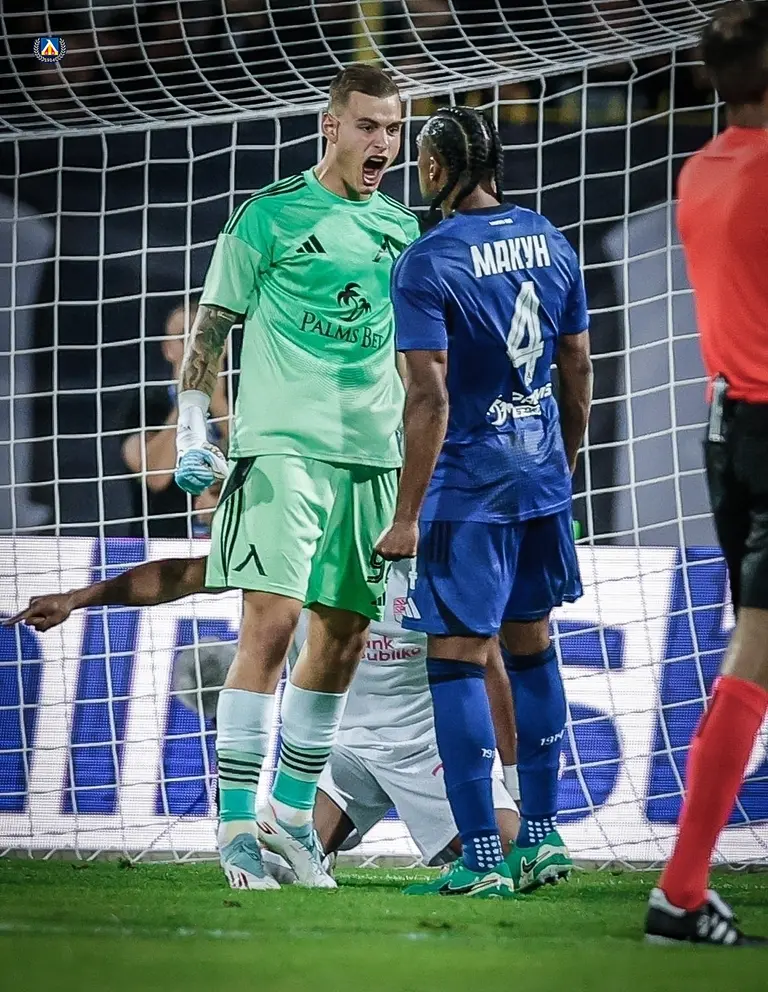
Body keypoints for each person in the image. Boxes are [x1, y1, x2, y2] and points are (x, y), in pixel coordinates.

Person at [171, 64, 420, 890]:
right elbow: (211, 331)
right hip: (281, 448)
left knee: (342, 639)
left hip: (371, 457)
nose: (383, 143)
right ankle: (236, 826)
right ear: (331, 125)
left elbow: (416, 358)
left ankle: (289, 812)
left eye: (393, 128)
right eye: (368, 126)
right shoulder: (269, 215)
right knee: (271, 627)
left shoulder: (401, 229)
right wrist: (194, 430)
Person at [377, 106, 592, 897]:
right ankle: (540, 836)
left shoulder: (427, 261)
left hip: (469, 489)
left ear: (434, 168)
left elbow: (428, 398)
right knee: (532, 647)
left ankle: (479, 859)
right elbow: (578, 364)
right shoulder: (550, 237)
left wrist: (406, 516)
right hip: (541, 480)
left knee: (458, 660)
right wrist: (562, 466)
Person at [4, 557, 520, 878]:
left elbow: (491, 669)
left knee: (504, 858)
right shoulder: (301, 551)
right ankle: (296, 840)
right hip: (334, 751)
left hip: (423, 746)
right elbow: (184, 576)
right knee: (276, 866)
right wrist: (77, 598)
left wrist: (515, 780)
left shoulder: (435, 562)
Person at [644, 2, 768, 947]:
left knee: (756, 648)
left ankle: (684, 887)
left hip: (727, 431)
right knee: (755, 650)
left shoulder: (700, 173)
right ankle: (680, 892)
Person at [120, 298, 227, 538]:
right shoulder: (146, 405)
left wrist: (219, 404)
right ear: (169, 348)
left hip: (227, 544)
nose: (197, 348)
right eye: (186, 338)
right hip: (164, 546)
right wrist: (190, 400)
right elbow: (156, 477)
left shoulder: (242, 402)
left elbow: (256, 467)